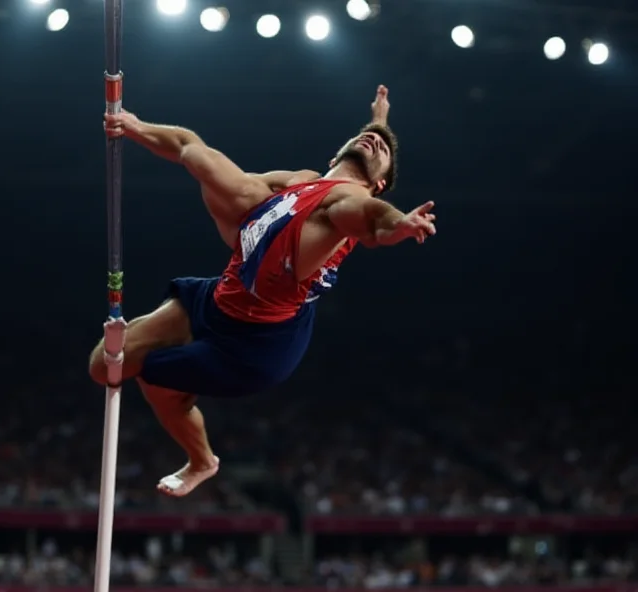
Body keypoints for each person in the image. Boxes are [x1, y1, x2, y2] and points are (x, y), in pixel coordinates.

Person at [90, 85, 436, 497]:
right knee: (102, 366)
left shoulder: (345, 206)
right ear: (333, 157)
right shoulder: (288, 185)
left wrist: (401, 225)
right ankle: (180, 347)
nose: (376, 142)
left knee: (153, 378)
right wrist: (132, 125)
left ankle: (202, 461)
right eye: (370, 138)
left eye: (383, 152)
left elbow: (374, 220)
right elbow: (187, 145)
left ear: (378, 184)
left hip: (257, 347)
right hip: (222, 298)